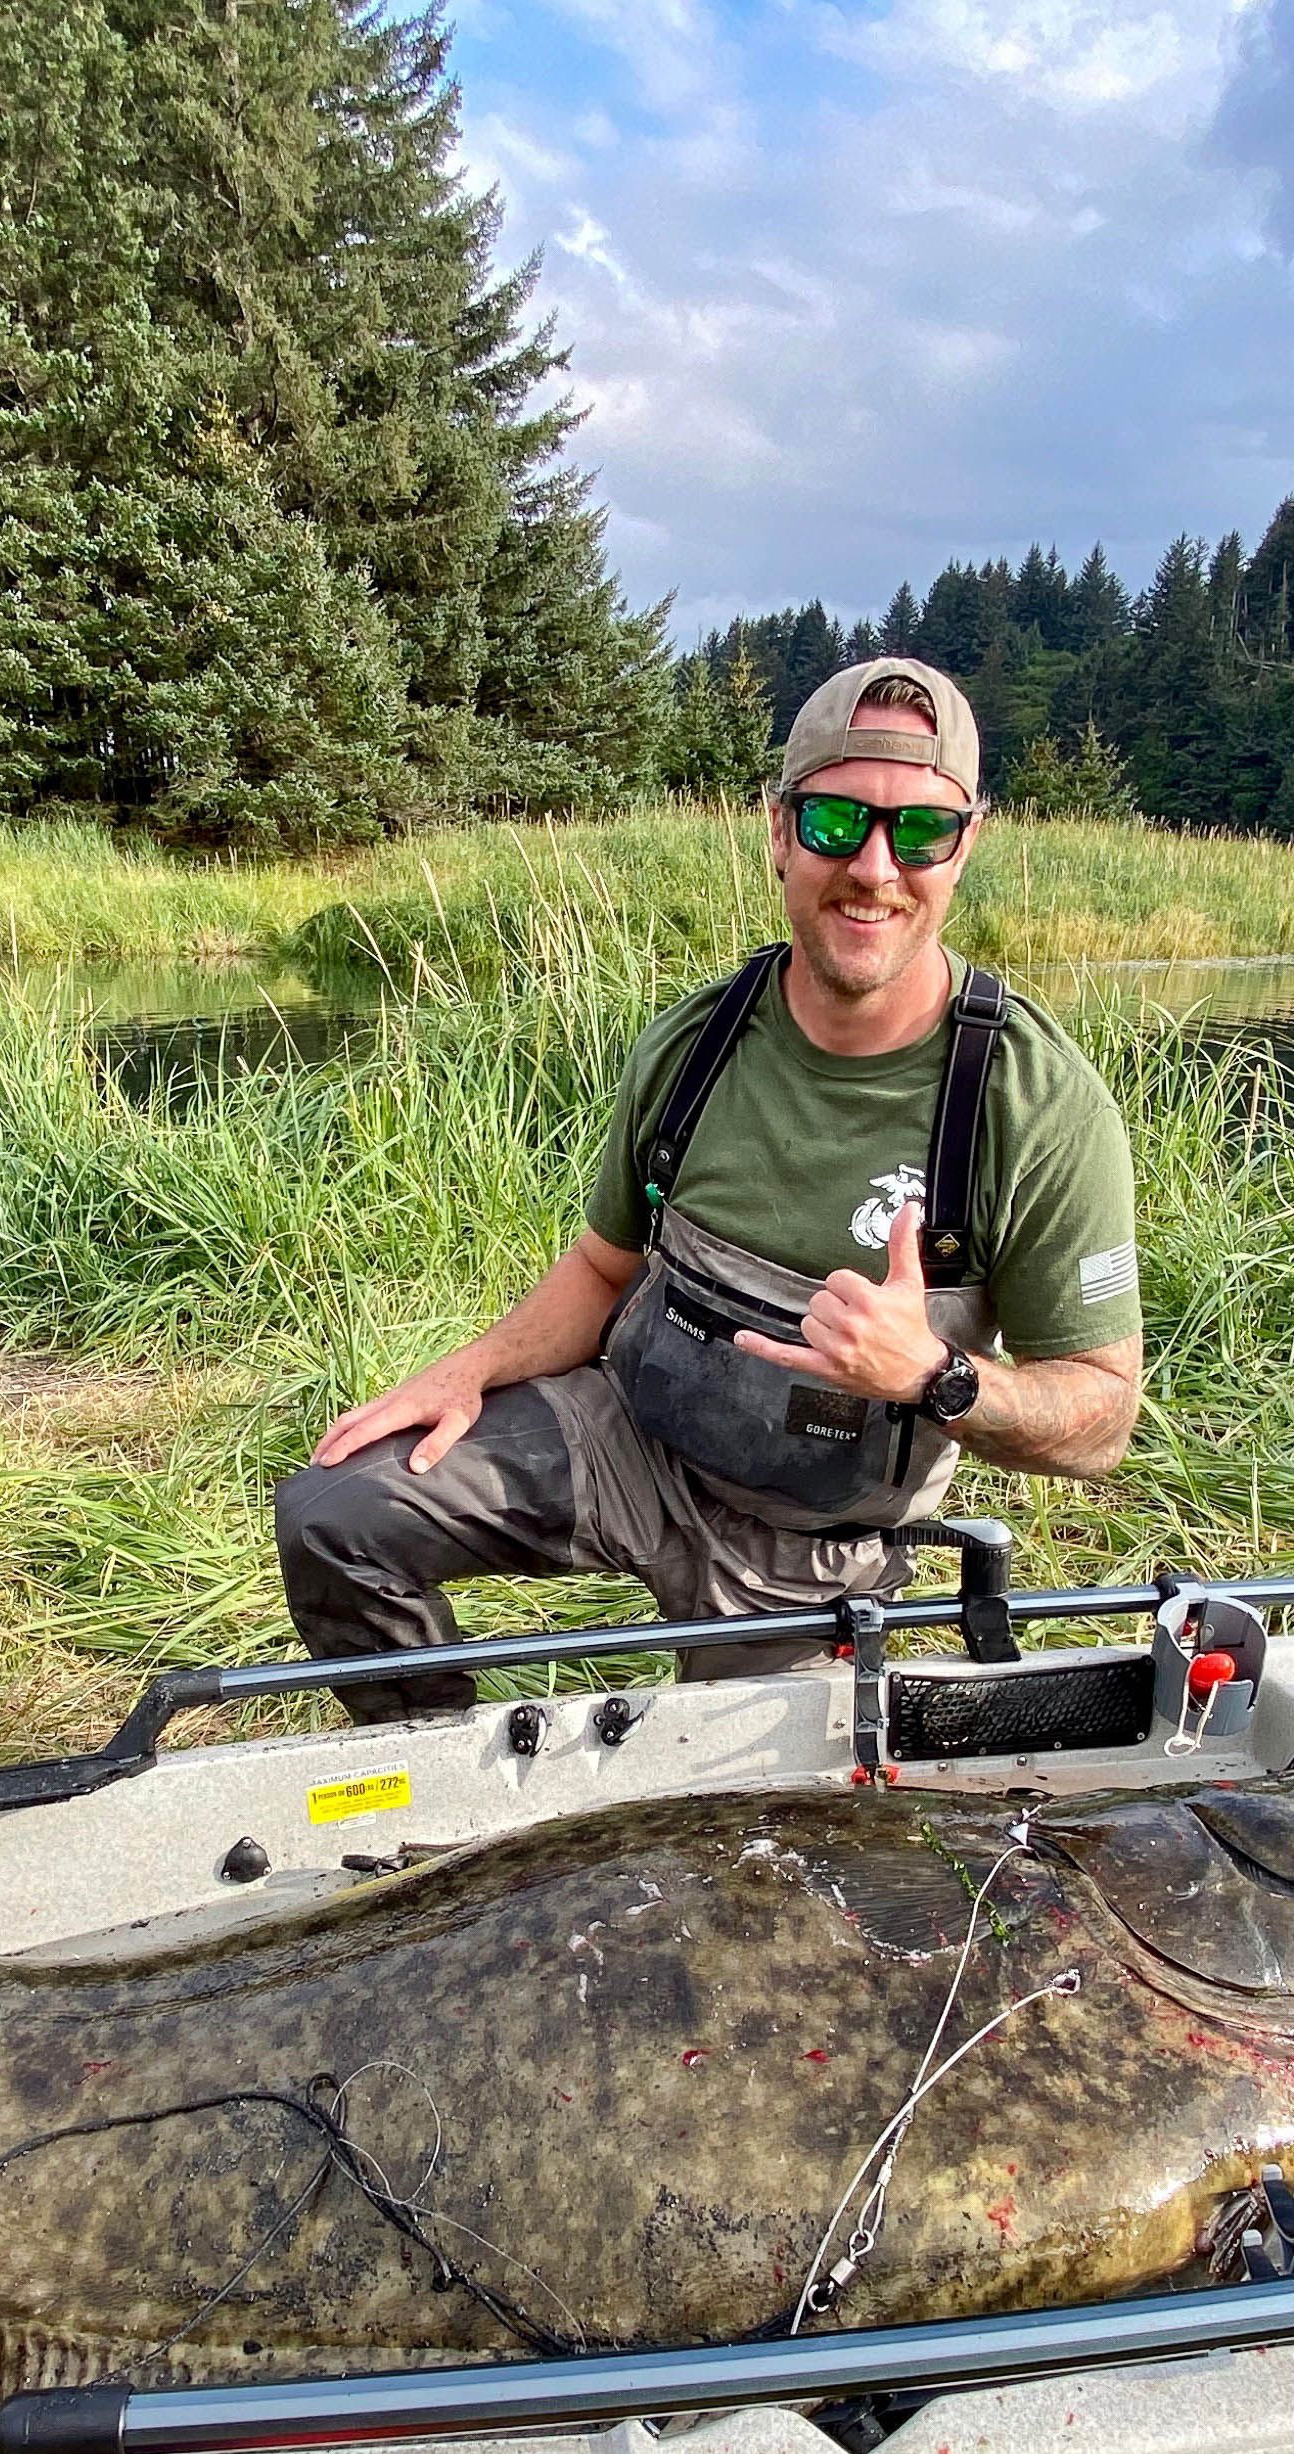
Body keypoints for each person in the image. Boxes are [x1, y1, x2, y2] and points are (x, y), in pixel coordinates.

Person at [275, 658, 1144, 1721]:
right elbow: (606, 1267)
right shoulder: (697, 1043)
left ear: (965, 850)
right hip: (629, 1440)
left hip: (817, 1547)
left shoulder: (1037, 1104)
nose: (876, 867)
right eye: (837, 822)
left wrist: (937, 1377)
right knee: (334, 1511)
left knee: (740, 1837)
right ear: (778, 830)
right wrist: (468, 1370)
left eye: (921, 832)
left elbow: (1100, 1418)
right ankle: (445, 1796)